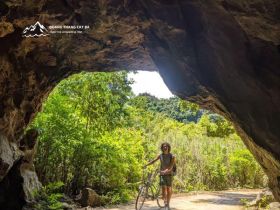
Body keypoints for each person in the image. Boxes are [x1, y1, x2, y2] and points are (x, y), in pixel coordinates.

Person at [144, 142, 176, 210]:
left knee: (169, 188)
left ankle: (168, 204)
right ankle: (165, 201)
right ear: (162, 148)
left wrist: (165, 171)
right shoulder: (160, 155)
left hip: (169, 174)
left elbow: (171, 166)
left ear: (168, 147)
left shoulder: (172, 156)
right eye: (163, 146)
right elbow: (153, 161)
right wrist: (146, 165)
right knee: (163, 188)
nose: (165, 147)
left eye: (166, 146)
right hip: (162, 174)